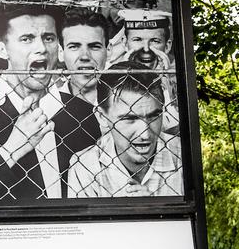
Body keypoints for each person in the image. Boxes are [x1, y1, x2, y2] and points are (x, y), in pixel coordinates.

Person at [0, 0, 102, 200]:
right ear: (0, 48)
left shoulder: (82, 114)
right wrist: (11, 150)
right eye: (27, 39)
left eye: (48, 38)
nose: (41, 48)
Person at [67, 61, 183, 198]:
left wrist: (156, 208)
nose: (145, 134)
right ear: (102, 117)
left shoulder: (184, 156)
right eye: (129, 119)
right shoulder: (86, 166)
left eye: (153, 116)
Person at [98, 0, 157, 64]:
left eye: (128, 7)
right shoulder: (99, 29)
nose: (121, 13)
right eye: (115, 6)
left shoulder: (150, 34)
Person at [59, 7, 109, 108]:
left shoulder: (124, 103)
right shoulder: (50, 106)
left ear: (108, 50)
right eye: (74, 47)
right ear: (60, 52)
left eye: (95, 46)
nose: (85, 56)